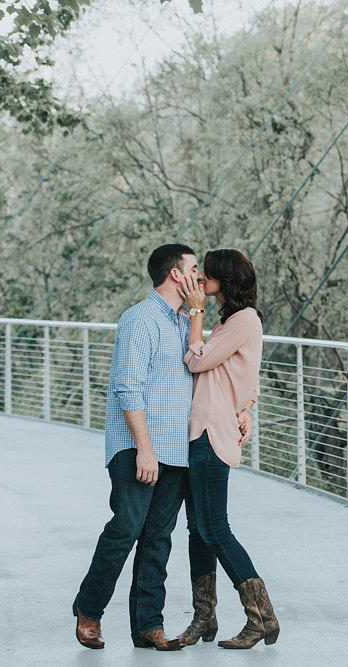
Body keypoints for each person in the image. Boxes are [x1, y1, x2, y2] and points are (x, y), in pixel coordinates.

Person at [72, 244, 199, 651]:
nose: (200, 275)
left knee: (158, 540)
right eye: (194, 269)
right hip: (138, 447)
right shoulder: (140, 319)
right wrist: (144, 448)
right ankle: (89, 609)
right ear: (176, 275)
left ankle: (148, 626)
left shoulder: (186, 323)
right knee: (125, 528)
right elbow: (128, 386)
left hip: (177, 450)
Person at [175, 248, 280, 649]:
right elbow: (248, 377)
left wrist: (195, 313)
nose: (200, 278)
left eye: (208, 273)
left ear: (226, 280)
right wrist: (248, 407)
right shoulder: (233, 320)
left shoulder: (244, 320)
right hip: (204, 429)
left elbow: (196, 362)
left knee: (214, 527)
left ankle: (262, 618)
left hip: (211, 432)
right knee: (198, 532)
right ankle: (205, 618)